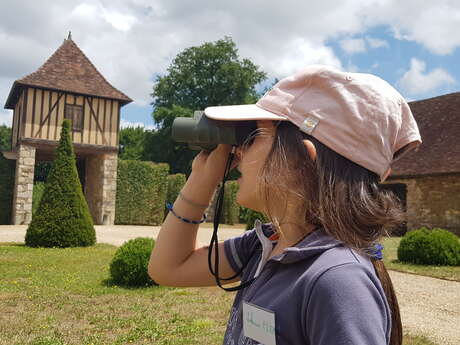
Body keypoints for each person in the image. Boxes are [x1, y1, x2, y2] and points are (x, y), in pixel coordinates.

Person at [148, 65, 422, 345]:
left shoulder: (337, 280)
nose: (238, 153)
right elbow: (168, 267)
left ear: (302, 160)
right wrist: (201, 179)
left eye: (253, 138)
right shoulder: (265, 244)